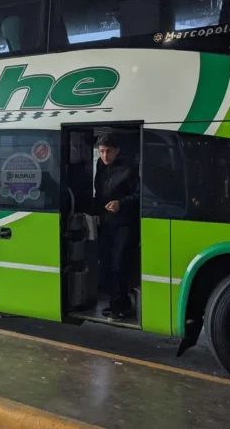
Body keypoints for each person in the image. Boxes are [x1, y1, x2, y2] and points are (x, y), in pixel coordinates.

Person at [92, 134, 139, 321]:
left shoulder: (130, 168)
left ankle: (119, 308)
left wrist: (121, 203)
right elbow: (100, 192)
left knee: (119, 264)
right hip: (107, 222)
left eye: (108, 151)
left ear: (117, 150)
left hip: (126, 223)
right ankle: (119, 303)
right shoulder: (100, 166)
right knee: (107, 264)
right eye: (101, 151)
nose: (105, 156)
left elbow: (140, 195)